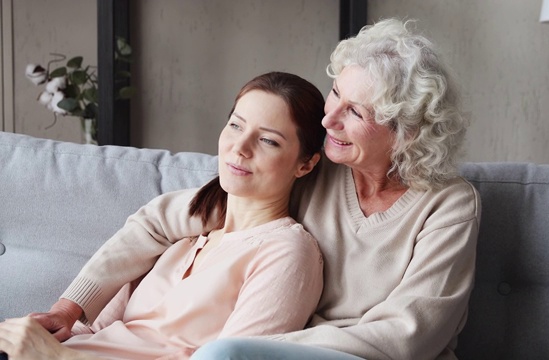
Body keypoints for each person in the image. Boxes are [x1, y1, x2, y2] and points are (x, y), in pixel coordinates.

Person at [10, 18, 480, 360]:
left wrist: (262, 344)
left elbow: (410, 333)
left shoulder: (448, 204)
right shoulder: (319, 169)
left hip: (365, 357)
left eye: (355, 113)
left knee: (223, 356)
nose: (328, 118)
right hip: (271, 350)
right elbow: (170, 218)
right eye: (336, 93)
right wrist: (71, 308)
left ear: (406, 132)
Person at [0, 71, 328, 359]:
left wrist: (57, 357)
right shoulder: (182, 237)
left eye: (269, 140)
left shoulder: (287, 252)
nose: (239, 147)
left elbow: (232, 358)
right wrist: (45, 338)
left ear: (306, 163)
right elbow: (96, 333)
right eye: (235, 126)